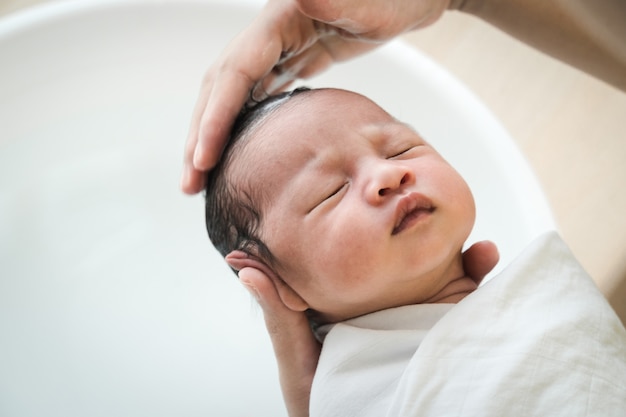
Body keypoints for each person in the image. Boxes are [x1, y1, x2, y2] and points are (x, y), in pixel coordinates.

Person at [183, 1, 626, 415]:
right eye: (330, 192)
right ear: (278, 283)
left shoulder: (528, 301)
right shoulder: (357, 394)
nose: (387, 175)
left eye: (399, 149)